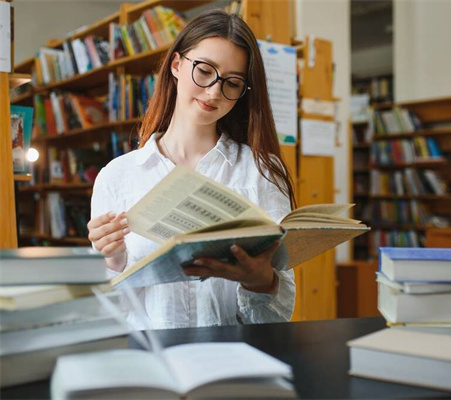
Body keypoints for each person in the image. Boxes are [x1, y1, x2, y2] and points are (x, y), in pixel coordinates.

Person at [87, 10, 297, 329]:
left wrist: (260, 283)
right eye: (205, 71)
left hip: (234, 357)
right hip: (152, 360)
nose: (214, 91)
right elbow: (108, 314)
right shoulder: (117, 177)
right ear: (176, 65)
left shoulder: (262, 173)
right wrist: (114, 262)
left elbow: (280, 317)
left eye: (233, 83)